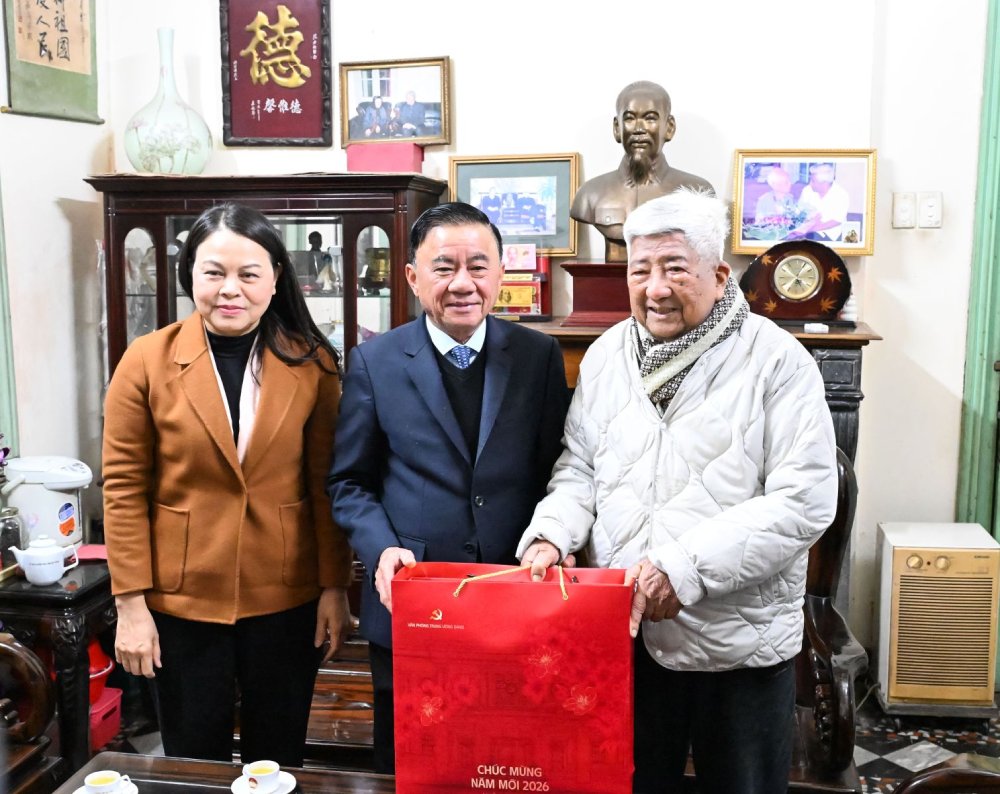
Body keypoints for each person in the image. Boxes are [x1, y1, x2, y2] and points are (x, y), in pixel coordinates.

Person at [518, 188, 838, 794]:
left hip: (738, 643)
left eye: (674, 269)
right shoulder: (610, 352)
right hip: (624, 636)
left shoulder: (777, 361)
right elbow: (579, 465)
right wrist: (553, 534)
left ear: (719, 275)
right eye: (640, 270)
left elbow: (805, 502)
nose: (655, 287)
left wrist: (681, 568)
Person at [103, 203, 353, 766]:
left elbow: (325, 484)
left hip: (286, 596)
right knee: (194, 759)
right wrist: (130, 605)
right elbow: (122, 488)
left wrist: (334, 587)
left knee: (278, 757)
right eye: (214, 272)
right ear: (190, 273)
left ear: (276, 279)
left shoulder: (312, 363)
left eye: (248, 274)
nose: (229, 290)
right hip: (180, 600)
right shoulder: (145, 360)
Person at [327, 202, 570, 774]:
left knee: (514, 761)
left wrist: (557, 538)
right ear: (412, 276)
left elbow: (559, 469)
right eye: (444, 267)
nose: (463, 283)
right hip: (414, 602)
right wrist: (382, 549)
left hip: (516, 597)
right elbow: (349, 482)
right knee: (414, 762)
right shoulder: (374, 362)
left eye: (479, 266)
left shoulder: (536, 356)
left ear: (501, 273)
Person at [570, 80, 714, 262]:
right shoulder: (589, 195)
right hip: (607, 282)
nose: (639, 129)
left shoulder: (698, 192)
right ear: (617, 128)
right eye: (629, 118)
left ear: (669, 128)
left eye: (650, 118)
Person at [792, 162, 850, 241]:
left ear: (824, 183)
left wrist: (810, 229)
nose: (810, 183)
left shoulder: (841, 194)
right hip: (809, 233)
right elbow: (799, 211)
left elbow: (836, 221)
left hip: (832, 236)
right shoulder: (807, 190)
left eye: (812, 181)